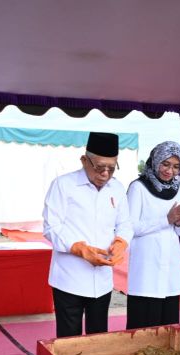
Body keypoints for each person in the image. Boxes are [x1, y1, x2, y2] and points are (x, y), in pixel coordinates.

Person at [43, 132, 133, 337]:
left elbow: (125, 223)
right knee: (68, 338)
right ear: (84, 160)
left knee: (99, 336)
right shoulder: (63, 185)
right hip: (69, 277)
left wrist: (121, 242)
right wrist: (80, 249)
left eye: (111, 168)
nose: (105, 174)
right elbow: (52, 227)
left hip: (102, 279)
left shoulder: (117, 188)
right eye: (100, 167)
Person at [126, 141, 180, 329]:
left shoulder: (179, 189)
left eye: (175, 167)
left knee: (168, 324)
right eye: (165, 164)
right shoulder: (138, 187)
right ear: (156, 161)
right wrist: (166, 220)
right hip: (145, 265)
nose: (169, 171)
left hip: (170, 264)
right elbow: (130, 227)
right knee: (143, 324)